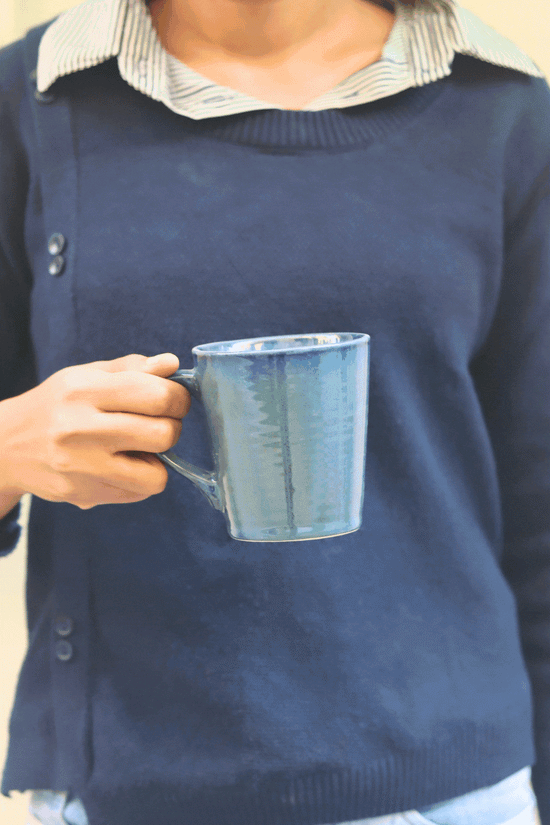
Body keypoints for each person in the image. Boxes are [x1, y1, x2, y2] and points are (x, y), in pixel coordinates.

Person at [0, 0, 549, 822]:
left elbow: (543, 510)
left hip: (458, 794)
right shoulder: (30, 99)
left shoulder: (505, 112)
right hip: (121, 795)